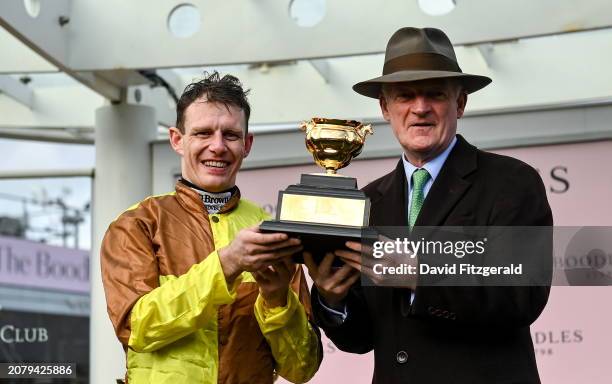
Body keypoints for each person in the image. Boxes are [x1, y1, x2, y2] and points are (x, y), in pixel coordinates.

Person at [305, 27, 552, 383]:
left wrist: (420, 274)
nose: (420, 108)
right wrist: (332, 298)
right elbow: (359, 340)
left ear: (460, 104)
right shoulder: (368, 202)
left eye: (435, 95)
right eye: (405, 96)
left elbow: (521, 295)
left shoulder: (511, 182)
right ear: (385, 108)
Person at [101, 72, 322, 384]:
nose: (217, 147)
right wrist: (228, 263)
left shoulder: (274, 232)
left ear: (247, 145)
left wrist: (276, 298)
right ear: (177, 140)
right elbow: (137, 328)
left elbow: (302, 369)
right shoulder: (137, 223)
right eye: (203, 133)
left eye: (230, 135)